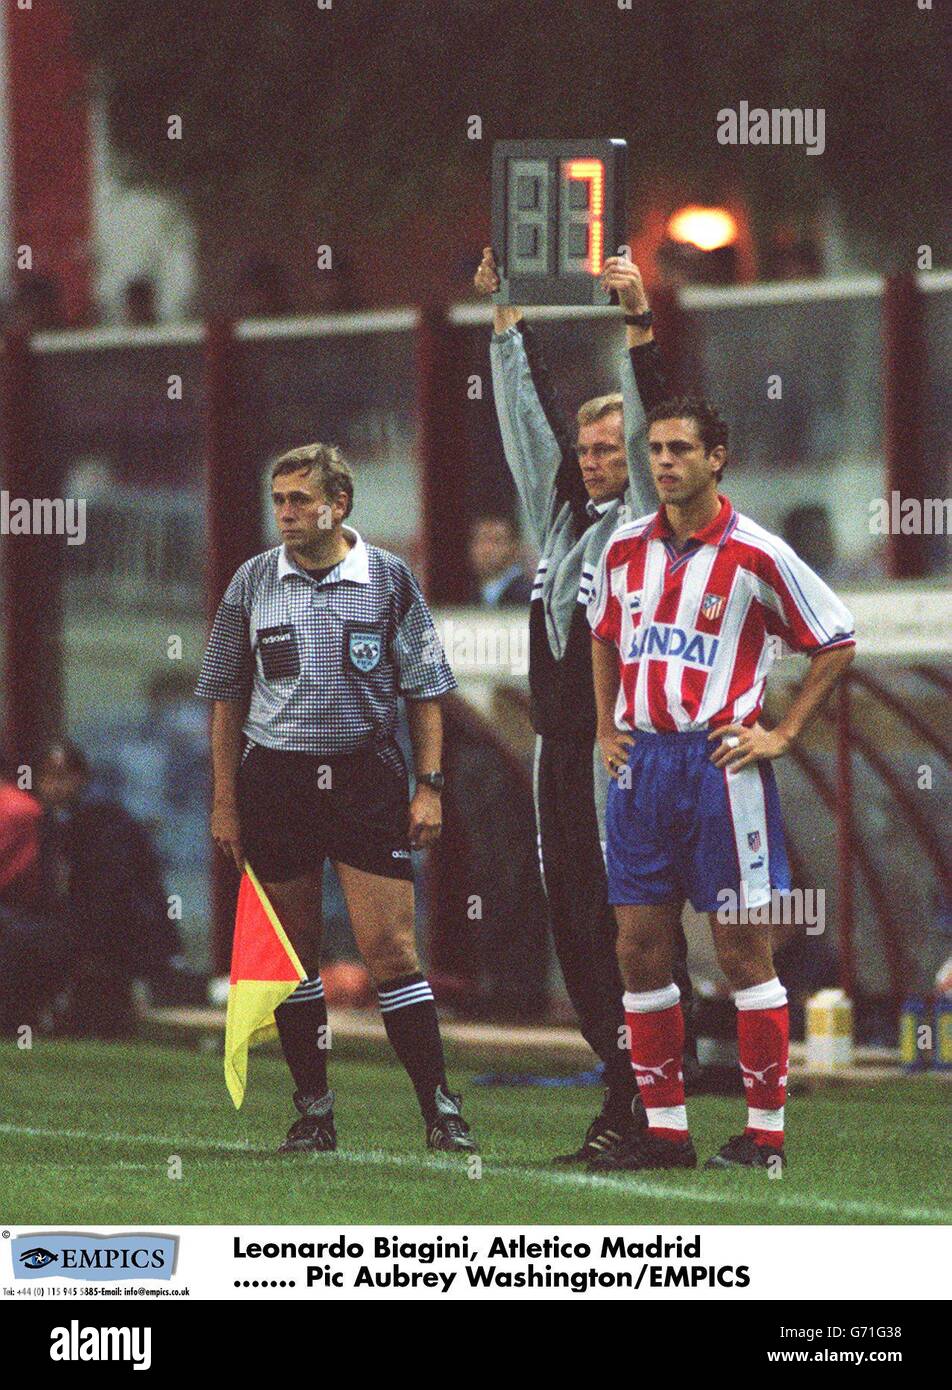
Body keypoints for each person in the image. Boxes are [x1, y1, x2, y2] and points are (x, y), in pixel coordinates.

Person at [587, 392, 855, 1171]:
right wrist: (607, 725)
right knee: (638, 948)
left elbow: (835, 639)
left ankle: (765, 1136)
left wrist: (782, 733)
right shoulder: (624, 549)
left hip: (718, 768)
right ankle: (667, 1132)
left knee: (742, 953)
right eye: (656, 450)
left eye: (680, 449)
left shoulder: (756, 552)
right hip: (641, 770)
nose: (664, 462)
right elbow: (603, 633)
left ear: (716, 458)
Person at [474, 248, 695, 1165]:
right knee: (573, 917)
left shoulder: (644, 524)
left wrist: (638, 329)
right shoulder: (559, 516)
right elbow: (526, 434)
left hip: (625, 748)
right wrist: (506, 323)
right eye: (590, 448)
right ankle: (620, 1086)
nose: (598, 461)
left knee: (632, 922)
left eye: (614, 449)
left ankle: (656, 1102)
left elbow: (654, 424)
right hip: (556, 749)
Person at [195, 443, 477, 1155]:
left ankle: (440, 1110)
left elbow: (426, 691)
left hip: (364, 777)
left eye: (299, 500)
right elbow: (227, 698)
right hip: (277, 780)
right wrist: (226, 801)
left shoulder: (387, 578)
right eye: (278, 500)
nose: (285, 513)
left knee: (390, 949)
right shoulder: (253, 581)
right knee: (295, 955)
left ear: (338, 504)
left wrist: (430, 786)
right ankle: (313, 1112)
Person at [468, 513, 533, 606]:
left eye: (497, 541)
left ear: (515, 548)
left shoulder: (526, 595)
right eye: (480, 539)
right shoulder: (472, 594)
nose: (487, 549)